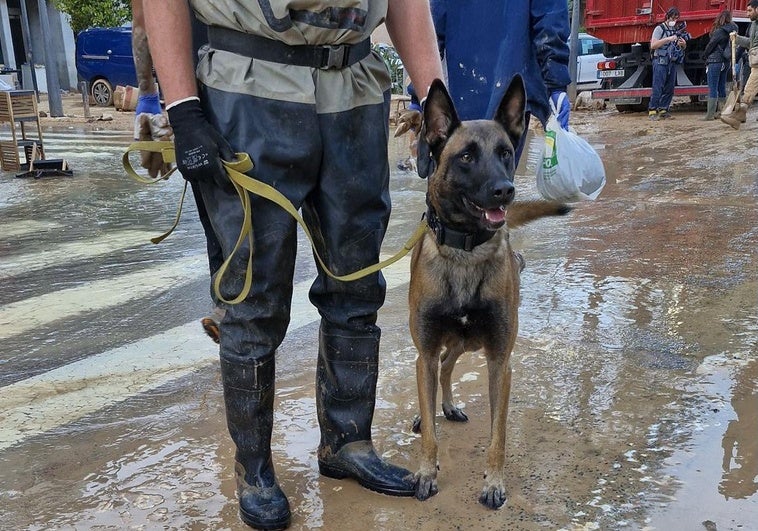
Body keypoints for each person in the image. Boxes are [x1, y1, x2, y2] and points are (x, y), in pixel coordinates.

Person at [142, 2, 443, 529]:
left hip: (354, 86)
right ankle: (254, 469)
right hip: (248, 87)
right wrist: (183, 108)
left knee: (357, 285)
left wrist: (439, 108)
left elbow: (406, 3)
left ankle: (347, 442)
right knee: (252, 296)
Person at [131, 0, 226, 343]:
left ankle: (229, 308)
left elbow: (142, 20)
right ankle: (230, 310)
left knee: (220, 219)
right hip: (210, 99)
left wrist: (147, 95)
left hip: (195, 102)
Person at [430, 0, 571, 166]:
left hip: (460, 90)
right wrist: (556, 84)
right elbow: (550, 18)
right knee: (498, 174)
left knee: (451, 175)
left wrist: (419, 96)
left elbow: (430, 24)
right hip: (511, 86)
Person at [648, 7, 690, 121]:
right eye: (673, 18)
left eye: (676, 18)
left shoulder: (675, 30)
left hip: (672, 62)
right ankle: (652, 110)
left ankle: (663, 110)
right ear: (667, 17)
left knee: (670, 88)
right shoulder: (659, 29)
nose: (674, 20)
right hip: (660, 61)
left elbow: (680, 47)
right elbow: (653, 45)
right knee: (658, 87)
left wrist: (683, 44)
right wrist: (668, 39)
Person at [722, 0, 758, 129]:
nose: (747, 14)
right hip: (755, 62)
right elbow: (751, 43)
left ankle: (740, 114)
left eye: (750, 10)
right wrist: (737, 38)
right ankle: (740, 115)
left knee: (750, 88)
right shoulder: (753, 25)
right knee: (750, 87)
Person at [702, 10, 739, 120]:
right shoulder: (734, 29)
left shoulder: (719, 31)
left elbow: (711, 44)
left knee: (712, 87)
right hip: (726, 61)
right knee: (721, 86)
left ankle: (710, 114)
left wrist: (705, 55)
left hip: (714, 61)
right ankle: (723, 112)